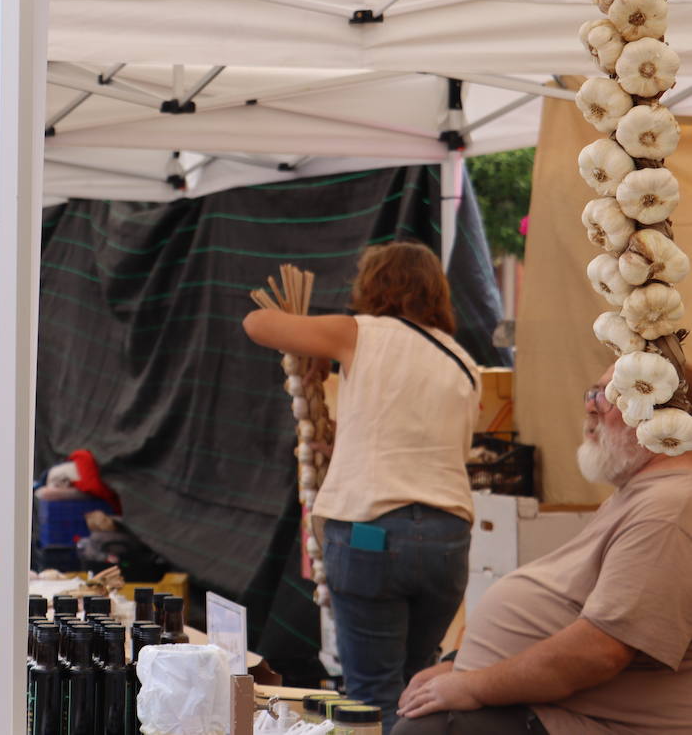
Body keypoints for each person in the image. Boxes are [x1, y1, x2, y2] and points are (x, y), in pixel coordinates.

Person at [243, 241, 480, 733]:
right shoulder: (463, 361)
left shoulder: (360, 332)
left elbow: (257, 323)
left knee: (372, 694)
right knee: (418, 689)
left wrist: (321, 348)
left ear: (373, 285)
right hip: (447, 538)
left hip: (373, 535)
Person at [395, 361, 692, 735]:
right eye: (593, 392)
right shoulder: (641, 495)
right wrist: (459, 665)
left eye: (610, 395)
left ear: (660, 412)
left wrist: (473, 685)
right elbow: (571, 609)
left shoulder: (670, 507)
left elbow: (600, 651)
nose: (591, 406)